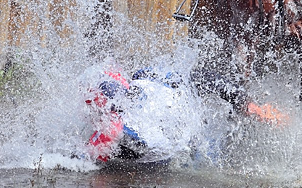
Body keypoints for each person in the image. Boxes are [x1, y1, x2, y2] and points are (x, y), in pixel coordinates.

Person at [82, 64, 289, 163]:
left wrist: (249, 105)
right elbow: (202, 75)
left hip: (160, 127)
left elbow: (202, 75)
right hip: (168, 135)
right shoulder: (159, 88)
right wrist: (249, 105)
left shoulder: (148, 80)